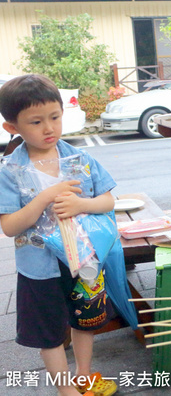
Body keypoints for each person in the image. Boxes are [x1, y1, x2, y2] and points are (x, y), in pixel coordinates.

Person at [0, 74, 118, 396]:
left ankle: (84, 375)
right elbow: (9, 226)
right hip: (39, 268)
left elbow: (108, 200)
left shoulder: (79, 158)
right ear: (12, 127)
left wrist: (82, 203)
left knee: (86, 321)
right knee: (49, 332)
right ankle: (66, 390)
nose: (49, 128)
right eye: (36, 122)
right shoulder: (9, 170)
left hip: (83, 261)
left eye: (55, 117)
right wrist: (43, 198)